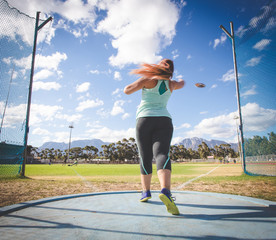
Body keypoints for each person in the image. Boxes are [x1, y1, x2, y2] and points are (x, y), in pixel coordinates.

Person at [124, 59, 185, 215]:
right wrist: (180, 80)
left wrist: (142, 80)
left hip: (144, 120)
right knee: (162, 154)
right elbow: (182, 84)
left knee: (145, 156)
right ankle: (165, 191)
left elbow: (127, 90)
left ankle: (146, 192)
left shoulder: (148, 80)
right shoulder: (172, 84)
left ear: (158, 67)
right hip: (165, 120)